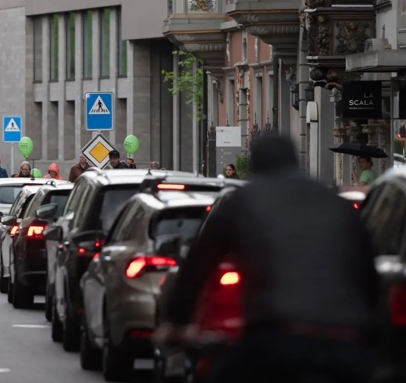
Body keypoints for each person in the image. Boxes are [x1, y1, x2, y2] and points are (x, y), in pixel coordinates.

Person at [157, 134, 378, 383]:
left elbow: (198, 265)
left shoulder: (242, 201)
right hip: (347, 345)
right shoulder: (334, 201)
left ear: (255, 167)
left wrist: (176, 321)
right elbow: (368, 271)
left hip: (277, 340)